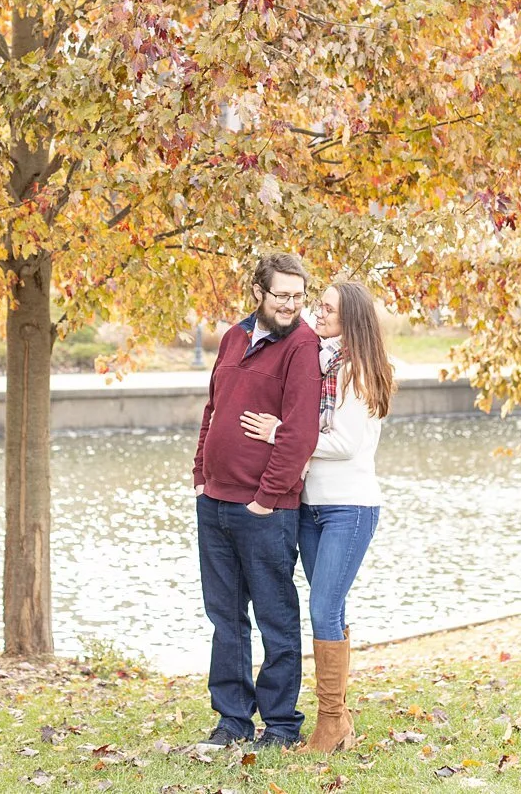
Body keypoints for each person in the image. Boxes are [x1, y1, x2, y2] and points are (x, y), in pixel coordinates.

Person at [241, 279, 392, 753]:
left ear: (351, 318)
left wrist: (280, 435)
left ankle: (329, 723)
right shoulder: (324, 362)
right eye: (318, 305)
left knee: (323, 608)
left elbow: (345, 444)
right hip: (312, 505)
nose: (316, 312)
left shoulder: (360, 371)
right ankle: (340, 719)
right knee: (333, 607)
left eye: (327, 308)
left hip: (350, 507)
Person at [191, 252, 322, 751]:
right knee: (225, 618)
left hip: (265, 510)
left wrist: (268, 498)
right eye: (282, 295)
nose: (291, 305)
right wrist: (201, 474)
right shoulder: (233, 337)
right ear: (259, 293)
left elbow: (299, 434)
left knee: (276, 617)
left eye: (298, 295)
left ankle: (282, 725)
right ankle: (231, 721)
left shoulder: (302, 347)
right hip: (215, 503)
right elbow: (212, 409)